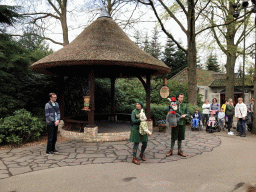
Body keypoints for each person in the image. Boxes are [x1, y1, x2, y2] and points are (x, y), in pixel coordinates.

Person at [166, 93, 189, 157]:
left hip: (182, 123)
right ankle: (171, 150)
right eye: (181, 97)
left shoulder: (185, 105)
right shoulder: (174, 103)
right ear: (177, 98)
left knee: (180, 138)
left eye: (182, 97)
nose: (182, 99)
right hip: (175, 123)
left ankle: (179, 150)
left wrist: (185, 115)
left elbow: (188, 113)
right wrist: (170, 106)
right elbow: (168, 110)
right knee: (173, 137)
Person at [130, 101, 148, 165]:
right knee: (136, 143)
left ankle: (141, 154)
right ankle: (134, 158)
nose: (137, 105)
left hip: (142, 128)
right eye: (136, 104)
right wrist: (140, 120)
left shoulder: (143, 111)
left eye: (138, 104)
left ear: (141, 105)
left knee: (145, 142)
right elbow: (133, 121)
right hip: (136, 129)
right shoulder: (134, 112)